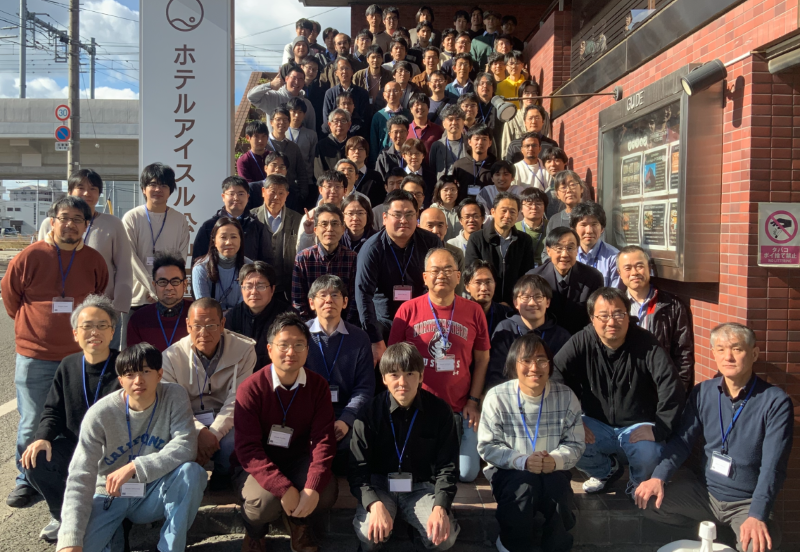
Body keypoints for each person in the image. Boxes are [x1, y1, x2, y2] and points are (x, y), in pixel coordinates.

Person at [635, 323, 793, 552]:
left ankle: (742, 531)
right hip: (706, 494)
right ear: (713, 353)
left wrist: (757, 514)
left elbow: (773, 467)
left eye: (737, 349)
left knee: (756, 546)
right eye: (720, 349)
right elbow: (682, 441)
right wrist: (658, 477)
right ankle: (710, 533)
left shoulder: (775, 402)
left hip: (746, 502)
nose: (728, 356)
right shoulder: (703, 392)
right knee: (648, 501)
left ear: (754, 353)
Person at [3, 196, 109, 508]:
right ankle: (26, 479)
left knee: (78, 420)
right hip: (35, 356)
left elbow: (98, 298)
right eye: (64, 218)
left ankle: (71, 476)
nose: (70, 224)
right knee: (33, 420)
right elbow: (10, 298)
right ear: (52, 221)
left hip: (79, 359)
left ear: (86, 225)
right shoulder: (29, 256)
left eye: (78, 219)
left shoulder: (94, 260)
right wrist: (34, 326)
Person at [55, 343, 205, 551]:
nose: (138, 380)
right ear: (120, 380)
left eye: (146, 371)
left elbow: (186, 444)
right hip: (110, 495)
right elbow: (80, 475)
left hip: (152, 491)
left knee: (192, 473)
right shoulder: (99, 414)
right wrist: (70, 539)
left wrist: (136, 466)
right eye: (130, 374)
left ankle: (169, 548)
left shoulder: (174, 395)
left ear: (160, 374)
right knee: (80, 547)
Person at [553, 287, 685, 497]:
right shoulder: (582, 340)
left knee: (649, 453)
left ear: (627, 315)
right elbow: (555, 374)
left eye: (618, 314)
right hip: (596, 424)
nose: (611, 322)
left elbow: (671, 383)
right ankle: (605, 472)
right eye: (603, 316)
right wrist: (572, 419)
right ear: (592, 319)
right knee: (567, 439)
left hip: (638, 425)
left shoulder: (645, 342)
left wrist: (661, 428)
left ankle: (638, 483)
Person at [233, 313, 338, 552]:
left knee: (324, 491)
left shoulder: (318, 386)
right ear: (270, 349)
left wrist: (311, 487)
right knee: (263, 504)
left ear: (307, 350)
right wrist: (283, 488)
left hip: (298, 459)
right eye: (283, 345)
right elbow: (248, 449)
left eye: (299, 345)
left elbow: (323, 440)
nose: (291, 352)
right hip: (258, 464)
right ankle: (255, 532)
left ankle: (299, 524)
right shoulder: (251, 388)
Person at [22, 295, 121, 541]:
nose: (94, 332)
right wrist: (42, 437)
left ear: (112, 332)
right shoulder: (68, 365)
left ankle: (112, 514)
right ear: (76, 333)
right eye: (87, 326)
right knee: (35, 459)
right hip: (77, 446)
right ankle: (63, 516)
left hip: (116, 450)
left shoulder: (125, 366)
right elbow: (52, 410)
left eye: (102, 325)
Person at [388, 247, 490, 483]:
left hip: (460, 406)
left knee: (466, 474)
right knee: (420, 470)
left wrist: (473, 401)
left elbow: (482, 359)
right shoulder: (407, 310)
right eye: (435, 271)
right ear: (425, 277)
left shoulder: (474, 311)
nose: (441, 275)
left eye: (448, 270)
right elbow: (392, 360)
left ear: (458, 276)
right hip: (417, 405)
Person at [478, 333, 585, 552]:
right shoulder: (497, 397)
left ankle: (556, 547)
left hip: (552, 467)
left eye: (541, 360)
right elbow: (488, 446)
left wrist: (555, 460)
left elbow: (575, 443)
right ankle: (512, 544)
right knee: (523, 488)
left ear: (550, 364)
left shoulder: (566, 396)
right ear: (513, 365)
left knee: (559, 491)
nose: (534, 368)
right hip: (509, 469)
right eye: (526, 361)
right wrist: (523, 461)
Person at [349, 342, 460, 550]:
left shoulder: (439, 411)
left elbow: (448, 467)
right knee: (369, 534)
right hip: (380, 486)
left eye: (410, 374)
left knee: (444, 538)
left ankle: (419, 535)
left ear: (421, 376)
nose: (402, 382)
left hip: (420, 487)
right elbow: (357, 470)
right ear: (384, 378)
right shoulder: (369, 412)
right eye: (394, 375)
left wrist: (440, 506)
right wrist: (373, 503)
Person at [161, 297, 255, 490]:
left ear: (222, 324)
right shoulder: (171, 357)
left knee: (232, 443)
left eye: (211, 325)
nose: (204, 333)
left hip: (227, 418)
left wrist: (213, 434)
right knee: (179, 442)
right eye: (197, 325)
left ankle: (223, 477)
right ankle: (190, 482)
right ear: (188, 326)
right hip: (188, 418)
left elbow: (237, 400)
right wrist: (199, 431)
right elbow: (174, 404)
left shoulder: (244, 351)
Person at [37, 169, 132, 349]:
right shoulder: (51, 224)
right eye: (80, 187)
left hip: (102, 310)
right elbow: (41, 267)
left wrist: (118, 307)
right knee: (62, 359)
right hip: (60, 309)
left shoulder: (113, 224)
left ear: (99, 194)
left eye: (93, 189)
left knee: (101, 360)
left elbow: (124, 268)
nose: (87, 193)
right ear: (70, 191)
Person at [356, 190, 443, 366]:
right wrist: (375, 339)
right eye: (397, 215)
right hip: (385, 321)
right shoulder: (372, 249)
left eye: (409, 214)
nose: (404, 220)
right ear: (385, 217)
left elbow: (439, 282)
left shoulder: (431, 242)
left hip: (422, 318)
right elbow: (363, 294)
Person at [304, 275, 374, 470]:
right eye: (323, 295)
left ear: (345, 302)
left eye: (335, 295)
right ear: (311, 303)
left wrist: (346, 419)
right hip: (309, 414)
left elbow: (365, 388)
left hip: (346, 412)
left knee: (357, 443)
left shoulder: (359, 338)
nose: (329, 300)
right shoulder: (300, 335)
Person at [617, 246, 694, 392]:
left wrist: (677, 391)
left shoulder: (672, 306)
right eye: (628, 268)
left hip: (661, 386)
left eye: (639, 266)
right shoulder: (614, 306)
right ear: (619, 273)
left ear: (649, 268)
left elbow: (683, 355)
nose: (634, 272)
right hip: (625, 388)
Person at [485, 275, 572, 390]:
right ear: (515, 303)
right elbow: (496, 373)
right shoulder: (505, 329)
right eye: (525, 297)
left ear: (548, 302)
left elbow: (563, 376)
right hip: (510, 394)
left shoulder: (561, 336)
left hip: (550, 395)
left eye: (538, 297)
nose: (532, 303)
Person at [123, 163, 191, 310]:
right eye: (153, 184)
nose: (158, 189)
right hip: (137, 297)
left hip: (168, 297)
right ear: (144, 189)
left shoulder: (179, 220)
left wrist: (162, 288)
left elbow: (180, 259)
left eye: (164, 185)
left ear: (170, 191)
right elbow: (130, 258)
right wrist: (152, 287)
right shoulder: (132, 218)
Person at [529, 227, 604, 335]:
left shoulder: (593, 277)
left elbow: (595, 316)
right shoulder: (534, 278)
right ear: (548, 251)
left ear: (577, 250)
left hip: (580, 338)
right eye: (559, 248)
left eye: (570, 248)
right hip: (544, 338)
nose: (564, 254)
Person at [465, 192, 535, 305]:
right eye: (504, 210)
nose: (507, 216)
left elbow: (526, 275)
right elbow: (472, 274)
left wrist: (514, 302)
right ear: (493, 212)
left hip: (514, 304)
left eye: (512, 212)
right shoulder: (477, 238)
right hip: (484, 304)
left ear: (518, 215)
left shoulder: (524, 240)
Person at [292, 204, 358, 321]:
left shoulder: (352, 258)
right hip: (310, 325)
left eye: (334, 224)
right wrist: (308, 327)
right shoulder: (303, 258)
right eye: (324, 224)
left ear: (343, 229)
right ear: (315, 230)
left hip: (344, 324)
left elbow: (354, 299)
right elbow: (298, 301)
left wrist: (346, 326)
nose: (329, 229)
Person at [225, 262, 295, 370]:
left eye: (260, 286)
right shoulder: (233, 316)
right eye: (248, 286)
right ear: (241, 289)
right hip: (240, 375)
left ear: (272, 289)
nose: (254, 292)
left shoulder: (287, 316)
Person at [192, 176, 269, 264]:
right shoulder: (209, 226)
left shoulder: (257, 226)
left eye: (241, 194)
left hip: (248, 272)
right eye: (231, 194)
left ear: (248, 197)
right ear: (223, 197)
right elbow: (198, 259)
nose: (236, 198)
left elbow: (265, 260)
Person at [250, 175, 303, 303]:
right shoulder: (251, 217)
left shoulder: (297, 219)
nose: (276, 197)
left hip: (287, 288)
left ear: (287, 195)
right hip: (258, 287)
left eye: (281, 193)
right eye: (272, 192)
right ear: (263, 192)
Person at [127, 252, 193, 352]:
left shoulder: (198, 315)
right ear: (154, 285)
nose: (169, 287)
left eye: (175, 282)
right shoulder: (138, 319)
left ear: (185, 284)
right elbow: (133, 358)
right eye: (162, 282)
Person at [192, 218, 253, 311]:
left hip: (241, 317)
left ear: (240, 239)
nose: (229, 242)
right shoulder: (201, 269)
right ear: (214, 240)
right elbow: (204, 307)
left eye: (233, 237)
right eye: (223, 237)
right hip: (211, 317)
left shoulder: (250, 267)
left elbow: (245, 307)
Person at [265, 107, 311, 212]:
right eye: (278, 119)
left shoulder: (293, 147)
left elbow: (301, 172)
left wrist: (302, 194)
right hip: (269, 195)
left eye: (285, 120)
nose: (282, 123)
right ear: (271, 122)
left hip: (291, 196)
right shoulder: (265, 146)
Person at [247, 66, 316, 134]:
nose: (297, 82)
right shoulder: (273, 97)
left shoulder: (307, 104)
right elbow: (251, 97)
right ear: (286, 79)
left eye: (300, 79)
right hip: (274, 141)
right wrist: (270, 85)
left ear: (303, 82)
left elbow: (311, 128)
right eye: (294, 78)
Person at [571, 202, 622, 289]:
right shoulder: (568, 255)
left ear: (602, 228)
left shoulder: (614, 257)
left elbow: (615, 294)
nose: (589, 231)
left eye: (594, 224)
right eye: (583, 225)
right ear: (574, 229)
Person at [419, 208, 466, 296]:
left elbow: (457, 289)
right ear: (419, 227)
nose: (435, 231)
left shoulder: (456, 253)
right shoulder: (412, 251)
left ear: (446, 227)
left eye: (440, 226)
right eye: (430, 226)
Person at [463, 260, 515, 336]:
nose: (484, 288)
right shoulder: (459, 314)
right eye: (478, 282)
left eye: (488, 282)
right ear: (467, 287)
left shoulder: (507, 314)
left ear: (495, 284)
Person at [370, 82, 412, 164]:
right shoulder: (378, 116)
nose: (392, 94)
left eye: (395, 91)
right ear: (384, 95)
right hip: (384, 158)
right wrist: (374, 162)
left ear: (401, 93)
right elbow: (373, 142)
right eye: (389, 91)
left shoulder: (408, 114)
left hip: (405, 157)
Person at [452, 124, 495, 203]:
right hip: (463, 208)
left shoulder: (496, 166)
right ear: (469, 141)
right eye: (476, 139)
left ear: (490, 142)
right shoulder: (459, 165)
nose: (480, 142)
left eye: (484, 139)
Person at [322, 57, 371, 126]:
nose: (344, 71)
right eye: (341, 68)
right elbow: (327, 118)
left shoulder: (362, 93)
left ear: (352, 72)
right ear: (336, 73)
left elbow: (365, 118)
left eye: (347, 68)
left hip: (357, 130)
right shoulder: (330, 93)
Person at [500, 81, 541, 155]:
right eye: (527, 93)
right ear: (520, 96)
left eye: (534, 93)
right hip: (517, 158)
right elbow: (506, 143)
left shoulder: (543, 116)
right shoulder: (512, 117)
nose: (530, 96)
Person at [286, 97, 318, 188]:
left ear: (304, 115)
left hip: (306, 181)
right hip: (285, 180)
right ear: (288, 112)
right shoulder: (281, 133)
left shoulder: (311, 135)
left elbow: (313, 159)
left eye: (300, 112)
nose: (297, 115)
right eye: (294, 111)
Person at [430, 105, 467, 179]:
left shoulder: (470, 143)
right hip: (443, 184)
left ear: (463, 123)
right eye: (450, 119)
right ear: (444, 124)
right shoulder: (437, 145)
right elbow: (432, 171)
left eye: (457, 119)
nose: (454, 123)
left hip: (465, 183)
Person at [346, 136, 384, 206]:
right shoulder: (342, 175)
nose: (357, 152)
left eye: (361, 149)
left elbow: (380, 201)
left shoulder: (375, 176)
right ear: (347, 154)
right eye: (353, 149)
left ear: (366, 153)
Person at [516, 187, 549, 267]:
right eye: (529, 204)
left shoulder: (552, 226)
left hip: (546, 269)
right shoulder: (514, 229)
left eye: (538, 203)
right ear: (521, 208)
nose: (534, 207)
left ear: (544, 207)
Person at [315, 108, 352, 177]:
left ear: (349, 125)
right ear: (329, 124)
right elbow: (319, 172)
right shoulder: (321, 145)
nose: (339, 124)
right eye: (336, 121)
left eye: (343, 121)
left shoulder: (353, 144)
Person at [354, 45, 393, 109]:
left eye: (378, 57)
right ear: (367, 59)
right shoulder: (358, 75)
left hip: (383, 109)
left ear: (382, 59)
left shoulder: (389, 75)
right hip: (363, 108)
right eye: (373, 57)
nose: (375, 60)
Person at [237, 121, 272, 188]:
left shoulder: (273, 157)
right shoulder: (243, 161)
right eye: (256, 136)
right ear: (248, 138)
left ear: (267, 137)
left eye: (263, 136)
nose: (260, 140)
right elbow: (247, 186)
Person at [430, 176, 462, 241]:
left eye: (453, 189)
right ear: (439, 192)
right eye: (445, 190)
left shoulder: (463, 209)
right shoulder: (434, 209)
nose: (449, 193)